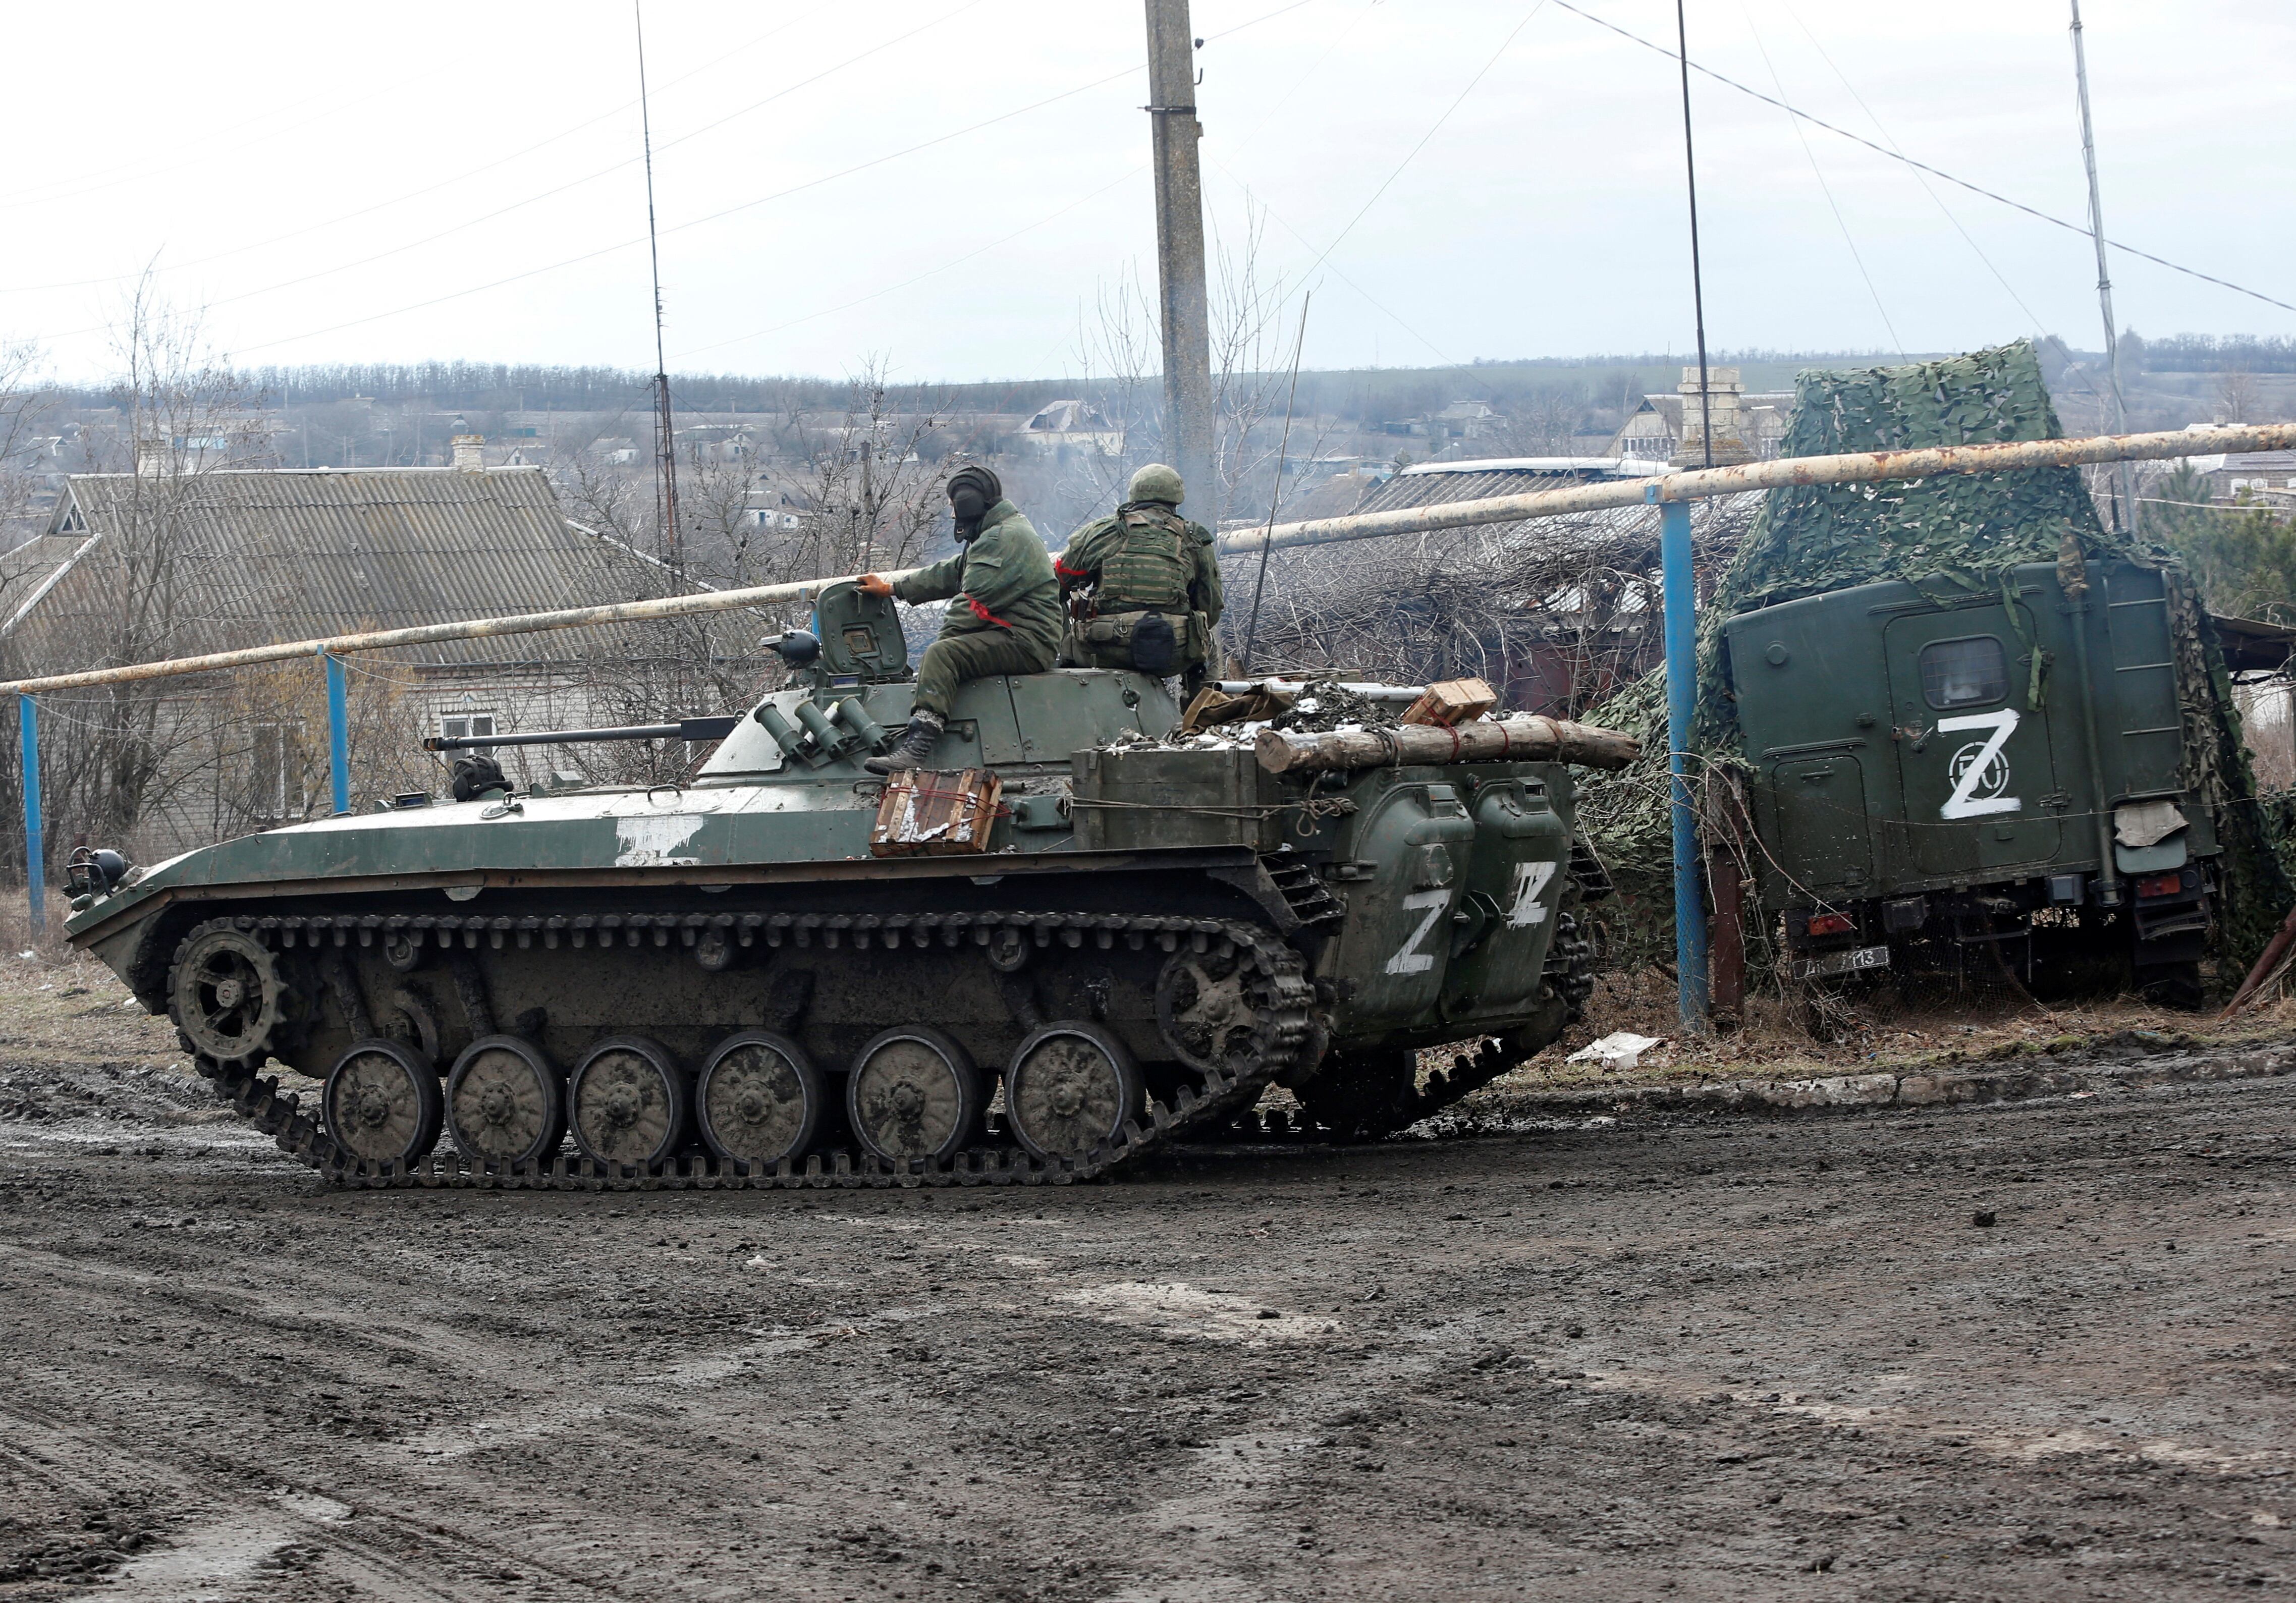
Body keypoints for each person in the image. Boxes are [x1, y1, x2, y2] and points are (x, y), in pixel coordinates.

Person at [860, 465, 1060, 774]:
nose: (953, 515)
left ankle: (917, 750)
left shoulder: (1002, 539)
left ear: (967, 503)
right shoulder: (999, 532)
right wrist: (893, 589)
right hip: (1016, 634)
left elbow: (970, 606)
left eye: (954, 507)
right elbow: (952, 572)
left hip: (1025, 641)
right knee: (941, 655)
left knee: (942, 655)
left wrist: (937, 663)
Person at [1055, 462, 1223, 698]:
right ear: (1176, 499)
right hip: (1172, 653)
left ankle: (1068, 701)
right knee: (1208, 648)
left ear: (1134, 495)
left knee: (1067, 639)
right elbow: (1211, 609)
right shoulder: (1194, 539)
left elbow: (1055, 587)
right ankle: (1201, 724)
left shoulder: (1102, 532)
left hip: (1103, 650)